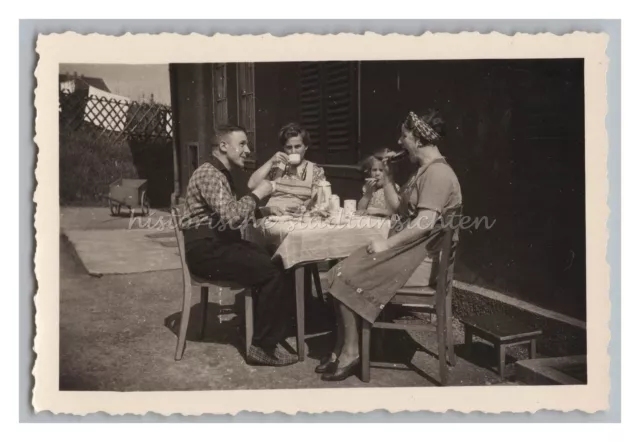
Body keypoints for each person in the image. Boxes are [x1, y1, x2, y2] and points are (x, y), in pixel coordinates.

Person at [316, 110, 463, 381]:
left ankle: (351, 352)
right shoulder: (423, 171)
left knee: (347, 274)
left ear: (418, 139)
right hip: (412, 253)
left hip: (423, 262)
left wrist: (387, 244)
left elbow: (425, 222)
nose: (400, 141)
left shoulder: (439, 174)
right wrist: (385, 179)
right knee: (338, 269)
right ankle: (343, 347)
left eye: (404, 136)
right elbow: (399, 209)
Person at [180, 124, 298, 366]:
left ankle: (257, 327)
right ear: (223, 146)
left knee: (273, 257)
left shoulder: (219, 173)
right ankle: (262, 347)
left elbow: (228, 214)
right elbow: (231, 216)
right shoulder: (209, 174)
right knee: (272, 270)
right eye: (242, 143)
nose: (247, 150)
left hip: (215, 245)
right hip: (206, 251)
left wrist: (264, 209)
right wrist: (258, 195)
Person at [248, 123, 327, 216]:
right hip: (271, 216)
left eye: (297, 146)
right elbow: (252, 185)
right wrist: (271, 161)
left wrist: (304, 207)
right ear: (284, 148)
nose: (293, 151)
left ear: (305, 147)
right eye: (289, 147)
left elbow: (318, 199)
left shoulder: (315, 171)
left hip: (297, 218)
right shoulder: (277, 167)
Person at [356, 149, 401, 217]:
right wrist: (367, 194)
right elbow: (360, 209)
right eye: (374, 170)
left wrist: (375, 211)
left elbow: (395, 211)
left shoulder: (394, 188)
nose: (377, 173)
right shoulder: (367, 188)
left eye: (381, 170)